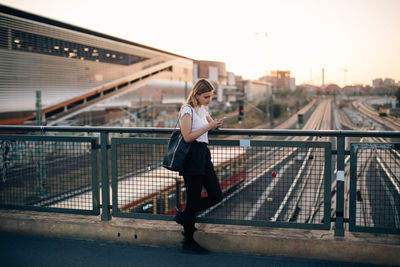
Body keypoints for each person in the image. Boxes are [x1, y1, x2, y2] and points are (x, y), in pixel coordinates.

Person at [174, 78, 224, 253]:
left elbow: (209, 125)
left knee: (216, 195)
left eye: (210, 96)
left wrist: (215, 125)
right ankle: (188, 242)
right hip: (192, 156)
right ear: (196, 94)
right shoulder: (187, 110)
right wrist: (209, 126)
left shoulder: (203, 109)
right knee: (193, 199)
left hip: (204, 155)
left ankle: (183, 216)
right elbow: (187, 136)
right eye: (206, 96)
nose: (209, 100)